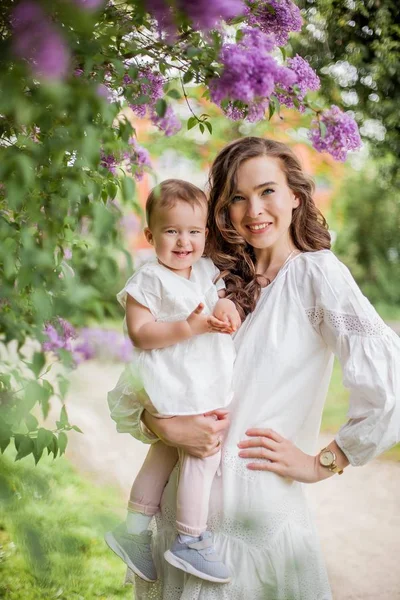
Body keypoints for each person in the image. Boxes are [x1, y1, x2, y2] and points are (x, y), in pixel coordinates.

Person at [113, 138, 400, 600]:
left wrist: (322, 462)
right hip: (180, 528)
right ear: (222, 211)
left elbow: (389, 382)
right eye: (238, 198)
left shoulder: (316, 275)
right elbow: (150, 372)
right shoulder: (207, 277)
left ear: (296, 197)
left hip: (257, 532)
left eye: (267, 191)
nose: (254, 210)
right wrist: (164, 425)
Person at [106, 179, 241, 585]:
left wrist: (226, 305)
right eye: (171, 231)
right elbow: (140, 333)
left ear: (205, 234)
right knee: (203, 451)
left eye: (194, 232)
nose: (184, 241)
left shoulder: (203, 269)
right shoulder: (148, 280)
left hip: (194, 375)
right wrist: (187, 327)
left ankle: (132, 531)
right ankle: (191, 539)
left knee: (166, 452)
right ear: (150, 236)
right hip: (172, 379)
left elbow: (217, 297)